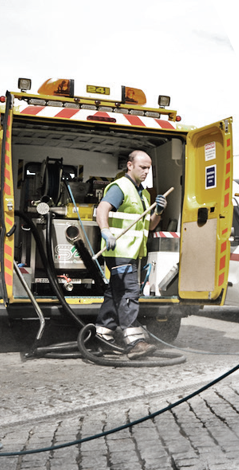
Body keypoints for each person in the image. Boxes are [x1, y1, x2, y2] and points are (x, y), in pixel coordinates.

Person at [95, 150, 167, 360]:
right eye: (142, 167)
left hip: (132, 253)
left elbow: (150, 225)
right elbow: (102, 208)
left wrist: (159, 212)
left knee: (114, 293)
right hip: (119, 251)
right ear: (130, 165)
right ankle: (134, 341)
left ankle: (103, 336)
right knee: (129, 292)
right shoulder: (121, 187)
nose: (146, 172)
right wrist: (105, 230)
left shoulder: (143, 194)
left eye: (148, 168)